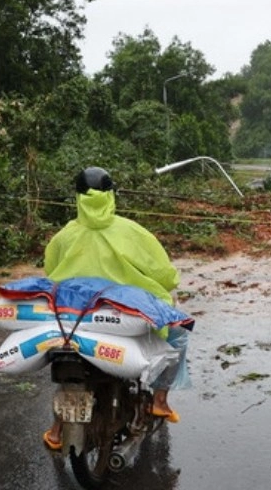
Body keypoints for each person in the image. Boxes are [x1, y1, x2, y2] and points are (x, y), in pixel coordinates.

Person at [40, 166, 188, 450]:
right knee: (178, 333)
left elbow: (50, 269)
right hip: (123, 317)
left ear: (78, 198)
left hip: (76, 319)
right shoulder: (131, 232)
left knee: (70, 359)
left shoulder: (64, 236)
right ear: (111, 195)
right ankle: (159, 401)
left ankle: (57, 430)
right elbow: (164, 274)